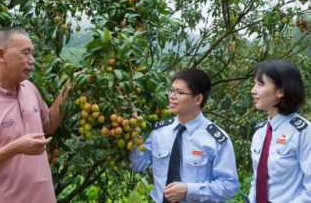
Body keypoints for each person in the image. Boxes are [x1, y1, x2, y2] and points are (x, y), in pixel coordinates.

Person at [0, 27, 72, 203]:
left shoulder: (29, 88)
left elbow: (49, 125)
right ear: (1, 55)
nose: (32, 61)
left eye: (32, 54)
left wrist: (68, 88)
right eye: (25, 53)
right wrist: (15, 148)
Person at [129, 68, 239, 203]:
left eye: (179, 92)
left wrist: (188, 190)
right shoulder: (160, 131)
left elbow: (229, 186)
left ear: (198, 99)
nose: (172, 96)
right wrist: (132, 130)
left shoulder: (215, 140)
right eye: (171, 90)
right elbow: (138, 164)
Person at [249, 60, 311, 203]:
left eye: (260, 84)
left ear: (281, 91)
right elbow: (256, 178)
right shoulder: (260, 132)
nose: (253, 90)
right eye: (254, 84)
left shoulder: (303, 132)